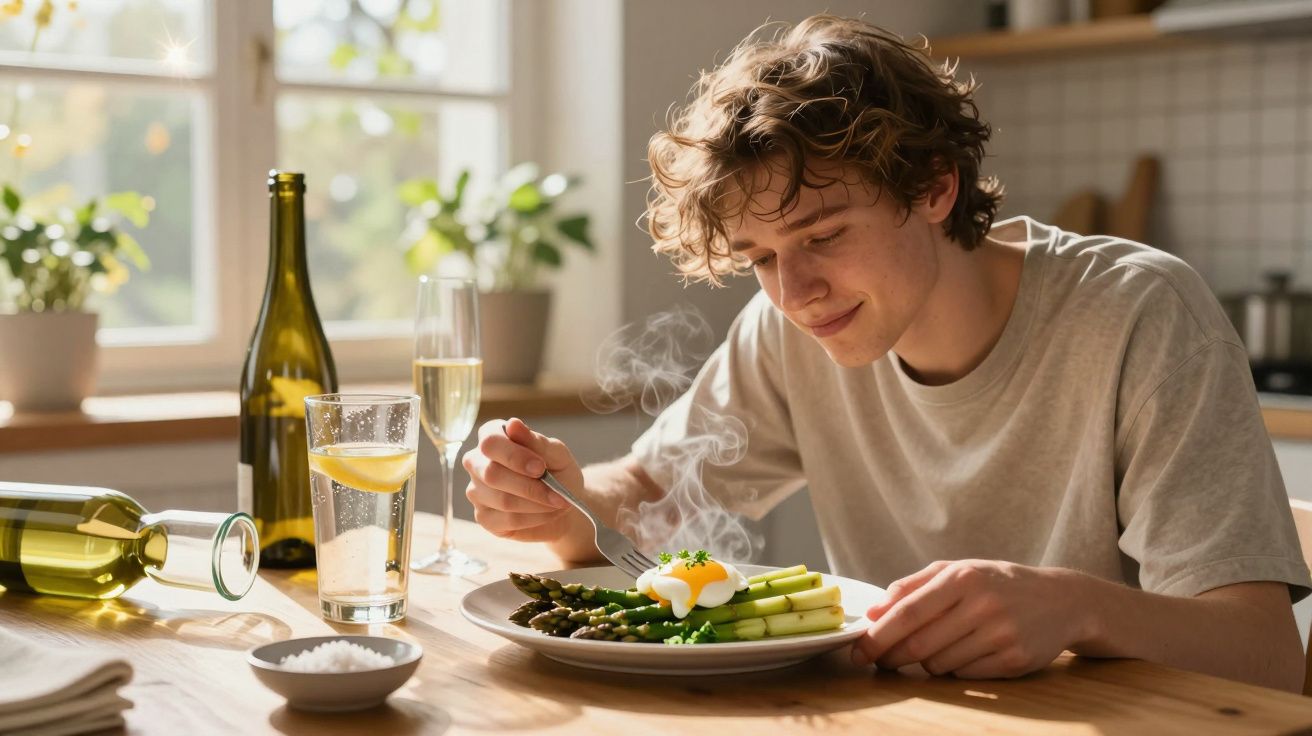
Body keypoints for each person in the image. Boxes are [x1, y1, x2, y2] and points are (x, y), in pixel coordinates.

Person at [461, 14, 1310, 691]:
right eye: (759, 258)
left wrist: (1078, 611)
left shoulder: (1139, 314)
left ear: (935, 187)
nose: (793, 292)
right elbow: (648, 498)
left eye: (823, 234)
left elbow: (1266, 657)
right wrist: (566, 500)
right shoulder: (791, 331)